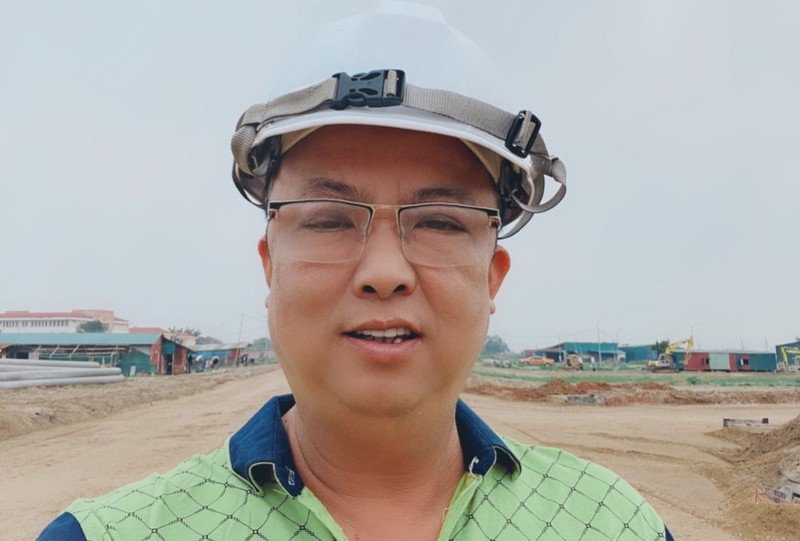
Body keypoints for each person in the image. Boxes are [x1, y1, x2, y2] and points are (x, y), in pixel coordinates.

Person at [38, 3, 673, 540]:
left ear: (492, 278)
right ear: (270, 266)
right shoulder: (109, 534)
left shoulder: (613, 524)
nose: (385, 272)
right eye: (330, 219)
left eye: (440, 221)